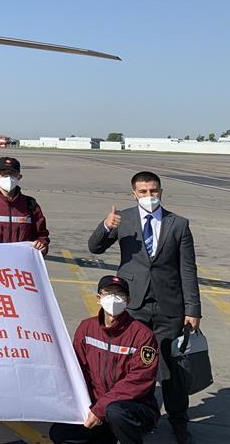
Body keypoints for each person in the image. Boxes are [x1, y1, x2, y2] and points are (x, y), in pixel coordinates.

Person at [88, 171, 201, 444]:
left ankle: (178, 422)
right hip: (132, 305)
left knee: (170, 369)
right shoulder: (122, 219)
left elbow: (187, 269)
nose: (149, 196)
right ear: (133, 194)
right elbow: (95, 248)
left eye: (154, 191)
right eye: (143, 192)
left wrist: (193, 309)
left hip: (167, 307)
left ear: (161, 191)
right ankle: (129, 416)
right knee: (128, 366)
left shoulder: (179, 224)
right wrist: (105, 226)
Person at [50, 275, 160, 444]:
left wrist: (100, 409)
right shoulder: (86, 328)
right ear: (98, 298)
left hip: (133, 407)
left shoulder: (143, 335)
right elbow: (79, 370)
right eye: (108, 293)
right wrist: (82, 406)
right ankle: (107, 435)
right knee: (59, 433)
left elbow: (138, 381)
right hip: (97, 406)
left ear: (128, 300)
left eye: (120, 294)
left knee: (115, 412)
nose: (114, 299)